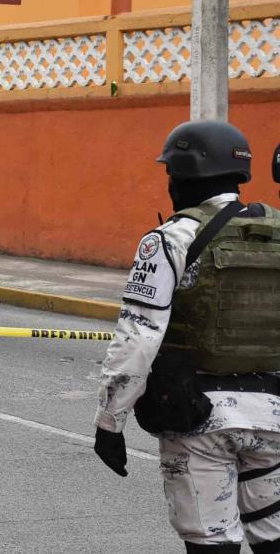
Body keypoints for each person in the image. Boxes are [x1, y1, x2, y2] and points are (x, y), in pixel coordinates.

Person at [94, 120, 280, 553]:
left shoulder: (170, 239)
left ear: (182, 176)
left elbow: (138, 336)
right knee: (273, 537)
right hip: (274, 417)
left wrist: (110, 421)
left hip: (198, 421)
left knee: (210, 542)